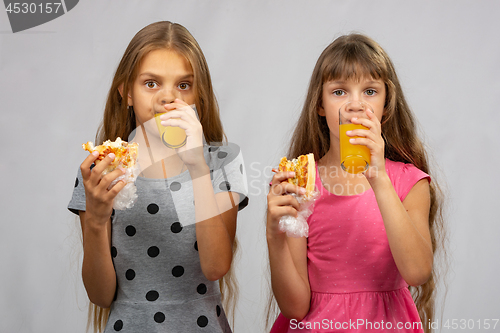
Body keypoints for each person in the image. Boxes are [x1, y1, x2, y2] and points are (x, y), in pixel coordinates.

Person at [68, 21, 248, 333]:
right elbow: (99, 295)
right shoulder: (103, 168)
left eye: (183, 85)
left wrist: (197, 166)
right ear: (126, 93)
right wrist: (97, 220)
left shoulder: (222, 162)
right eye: (151, 83)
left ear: (198, 97)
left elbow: (216, 265)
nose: (168, 98)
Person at [266, 34, 445, 333]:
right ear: (320, 106)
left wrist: (378, 178)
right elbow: (295, 308)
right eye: (339, 92)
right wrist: (275, 236)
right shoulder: (302, 181)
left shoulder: (409, 182)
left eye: (370, 91)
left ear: (386, 105)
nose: (356, 105)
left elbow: (416, 272)